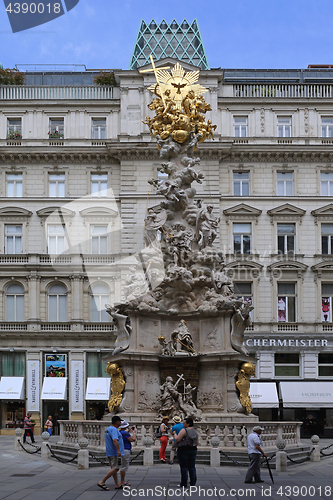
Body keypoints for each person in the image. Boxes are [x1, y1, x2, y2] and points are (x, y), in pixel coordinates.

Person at [97, 415, 124, 491]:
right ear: (117, 422)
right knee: (116, 468)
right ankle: (102, 481)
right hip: (114, 452)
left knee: (113, 468)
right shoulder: (114, 430)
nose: (120, 423)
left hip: (109, 451)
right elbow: (115, 440)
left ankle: (117, 484)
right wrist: (118, 450)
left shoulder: (108, 429)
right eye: (120, 422)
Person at [175, 417, 198, 488]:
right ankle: (193, 482)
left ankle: (184, 483)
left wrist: (174, 434)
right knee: (192, 467)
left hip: (184, 450)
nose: (183, 424)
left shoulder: (184, 430)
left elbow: (178, 439)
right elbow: (197, 442)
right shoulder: (195, 431)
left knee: (184, 467)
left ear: (188, 424)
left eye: (184, 422)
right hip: (193, 450)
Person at [119, 420, 136, 486]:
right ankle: (122, 481)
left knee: (123, 465)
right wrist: (134, 433)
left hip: (122, 449)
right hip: (126, 449)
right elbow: (133, 439)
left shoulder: (120, 432)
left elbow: (124, 435)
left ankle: (121, 480)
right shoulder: (125, 433)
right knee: (124, 466)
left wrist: (128, 431)